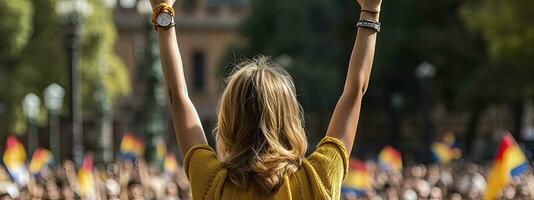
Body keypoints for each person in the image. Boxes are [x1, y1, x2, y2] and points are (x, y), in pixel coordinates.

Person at [149, 0, 381, 198]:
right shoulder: (317, 180)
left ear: (230, 119)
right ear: (289, 116)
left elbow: (177, 96)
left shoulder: (214, 184)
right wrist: (371, 9)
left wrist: (163, 11)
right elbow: (354, 91)